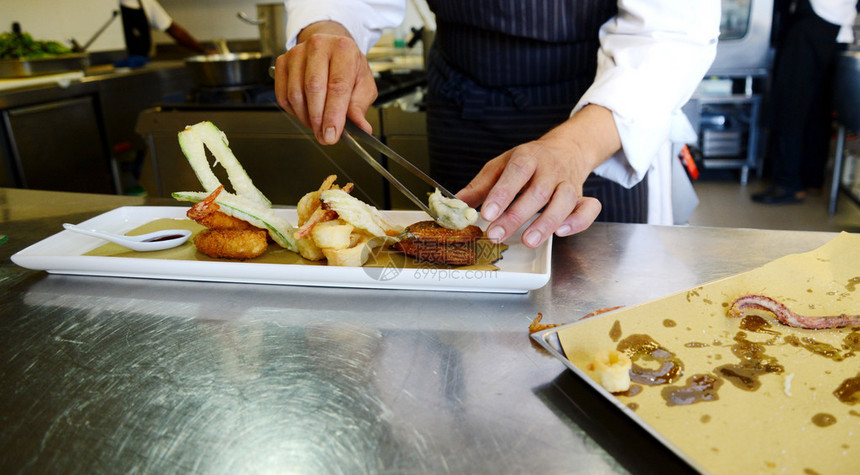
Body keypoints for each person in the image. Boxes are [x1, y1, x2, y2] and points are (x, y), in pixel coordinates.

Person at [274, 1, 720, 248]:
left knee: (592, 316)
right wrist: (326, 30)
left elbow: (672, 34)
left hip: (599, 122)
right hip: (465, 105)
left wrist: (576, 149)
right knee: (459, 275)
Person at [752, 0, 858, 204]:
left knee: (791, 105)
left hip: (811, 24)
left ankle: (787, 183)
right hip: (837, 29)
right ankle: (812, 179)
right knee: (819, 109)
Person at [119, 0, 207, 58]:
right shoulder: (107, 4)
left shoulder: (146, 2)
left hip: (140, 66)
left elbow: (175, 31)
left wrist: (203, 51)